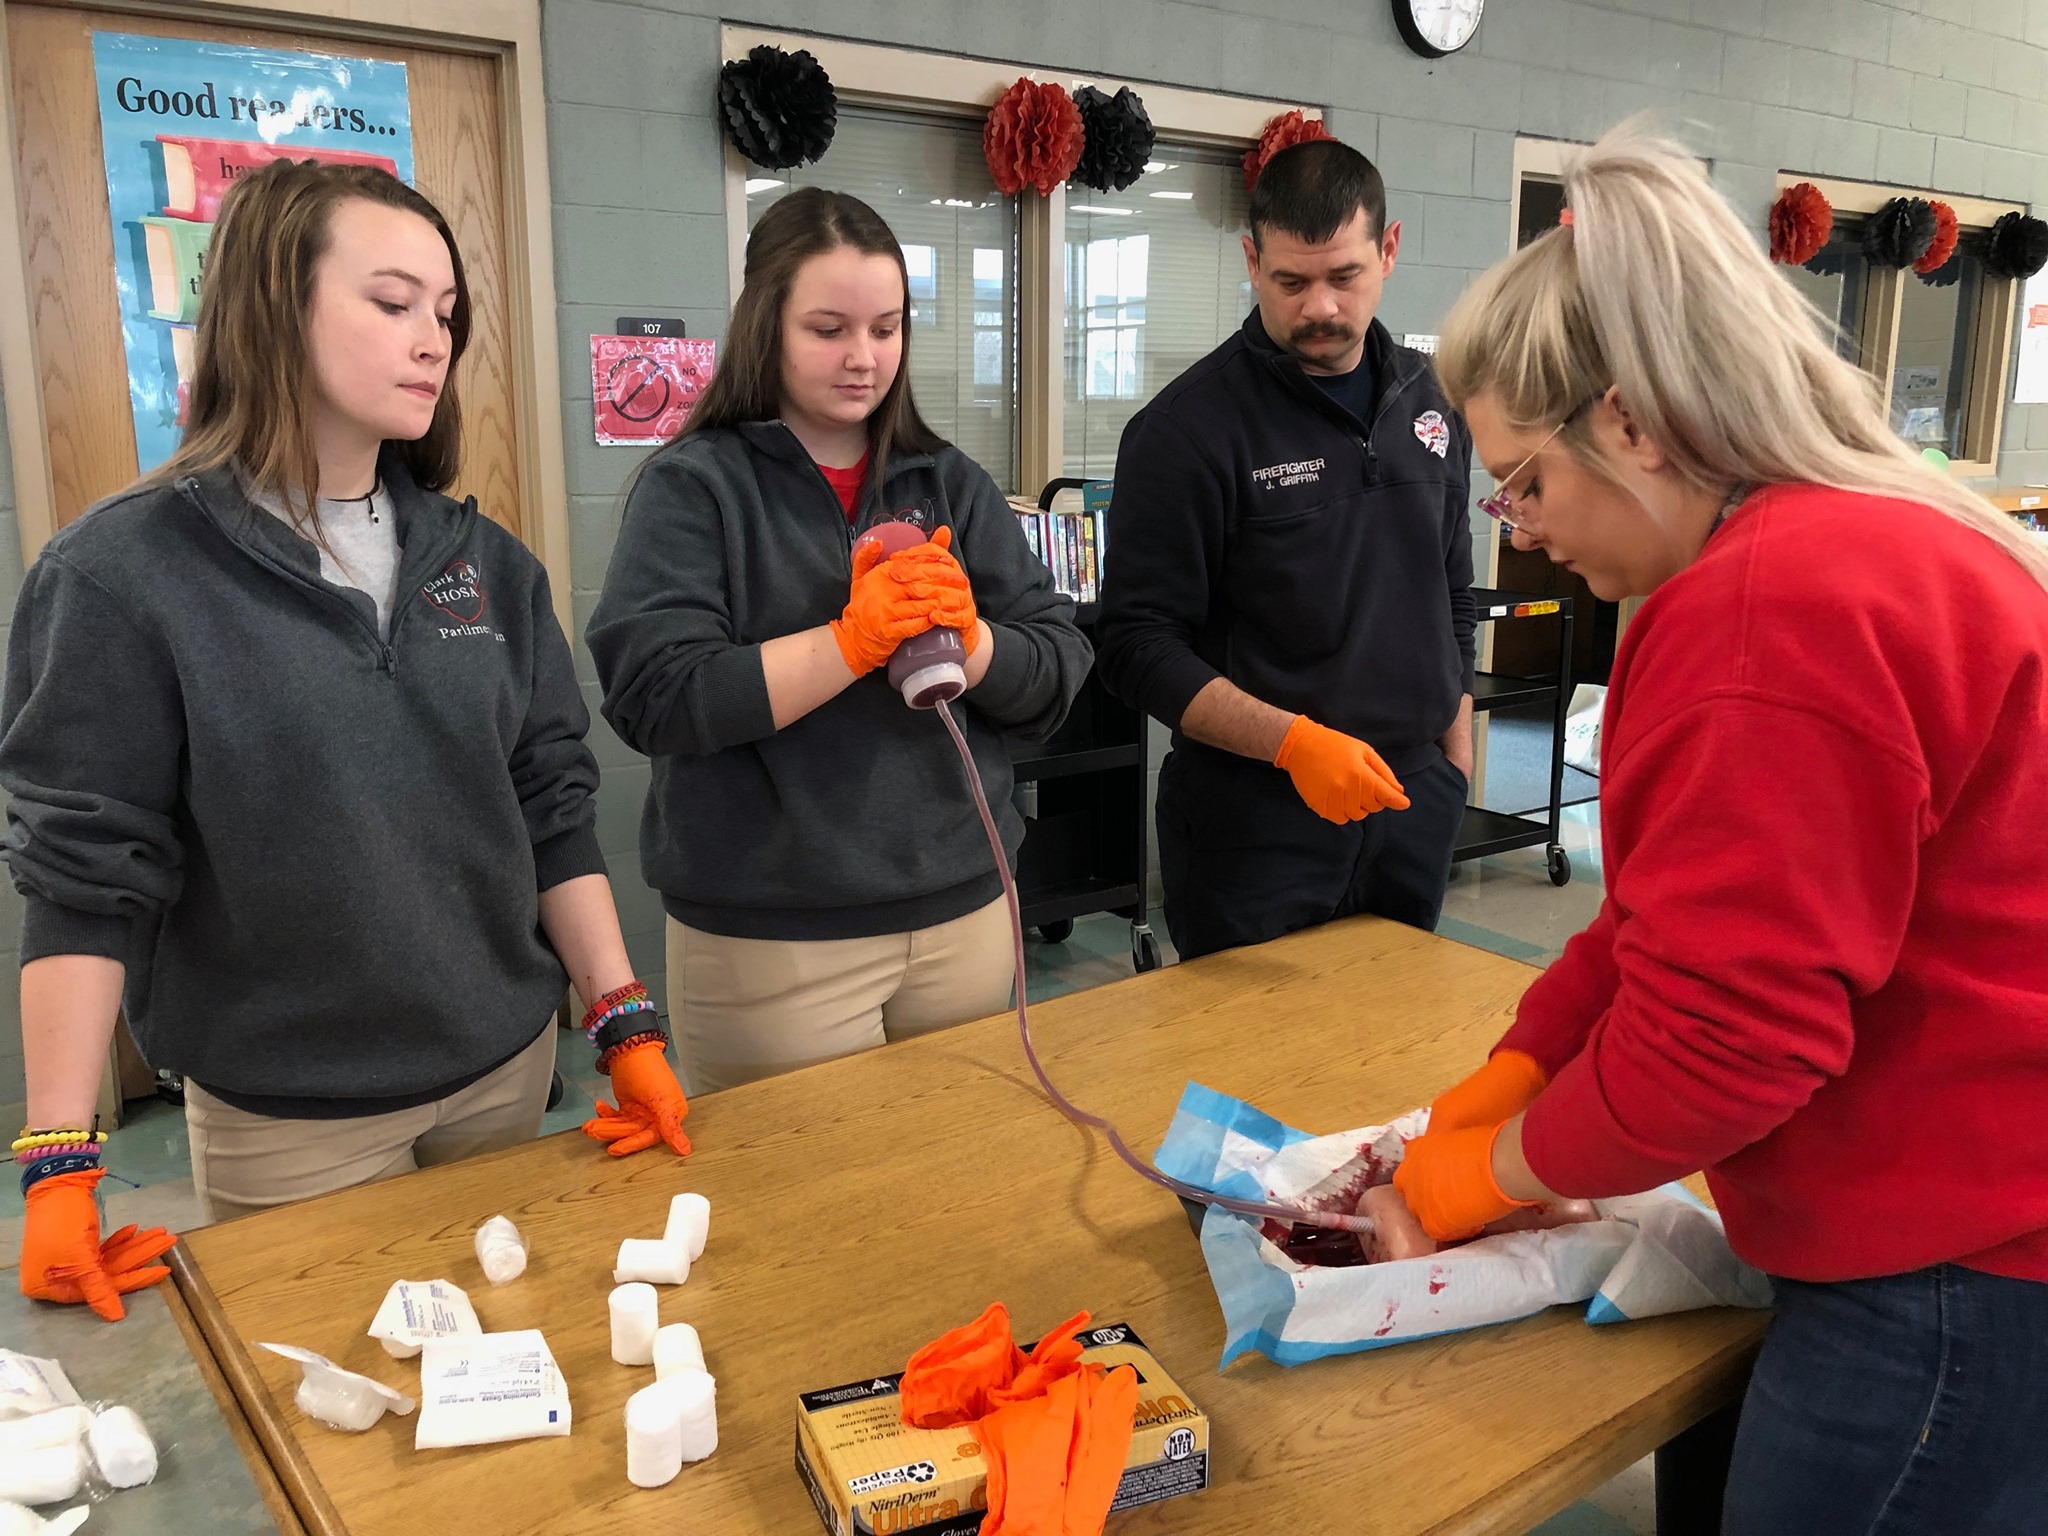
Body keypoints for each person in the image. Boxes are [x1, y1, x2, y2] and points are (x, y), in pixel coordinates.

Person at [1391, 125, 2048, 1533]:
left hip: (1955, 1264)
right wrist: (1523, 1064)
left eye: (1525, 483)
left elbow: (1730, 1042)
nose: (1517, 527)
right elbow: (1661, 927)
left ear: (1628, 423)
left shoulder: (1765, 612)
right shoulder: (1860, 534)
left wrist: (1493, 1173)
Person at [4, 160, 686, 1320]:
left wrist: (619, 1017)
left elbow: (550, 808)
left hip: (504, 1075)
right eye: (391, 302)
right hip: (291, 1121)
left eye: (445, 312)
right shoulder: (122, 578)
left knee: (515, 1376)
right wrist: (59, 1160)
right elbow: (86, 876)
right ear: (275, 305)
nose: (432, 340)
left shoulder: (485, 565)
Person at [586, 188, 1090, 1094]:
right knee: (793, 1214)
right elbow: (656, 696)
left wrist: (971, 642)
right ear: (765, 325)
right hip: (775, 936)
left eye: (887, 329)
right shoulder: (695, 489)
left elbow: (1056, 667)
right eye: (828, 329)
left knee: (957, 1189)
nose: (864, 358)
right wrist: (851, 643)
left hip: (963, 909)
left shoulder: (951, 483)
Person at [1093, 138, 1476, 963]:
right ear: (1252, 260)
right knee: (1255, 1083)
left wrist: (1456, 754)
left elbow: (1451, 588)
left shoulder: (1435, 400)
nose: (1321, 310)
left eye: (1345, 277)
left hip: (1414, 803)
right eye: (1291, 282)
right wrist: (1293, 744)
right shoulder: (1185, 432)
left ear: (1390, 250)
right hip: (1254, 825)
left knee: (1393, 1061)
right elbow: (1134, 645)